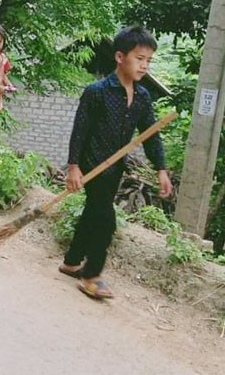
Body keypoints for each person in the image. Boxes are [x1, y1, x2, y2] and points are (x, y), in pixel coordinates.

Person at [59, 26, 172, 300]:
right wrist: (73, 166)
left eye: (149, 60)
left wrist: (161, 169)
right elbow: (79, 131)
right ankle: (91, 274)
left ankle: (71, 261)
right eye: (139, 58)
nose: (144, 65)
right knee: (105, 218)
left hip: (114, 167)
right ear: (120, 57)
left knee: (93, 211)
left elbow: (150, 136)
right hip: (91, 165)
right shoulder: (97, 91)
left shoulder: (143, 97)